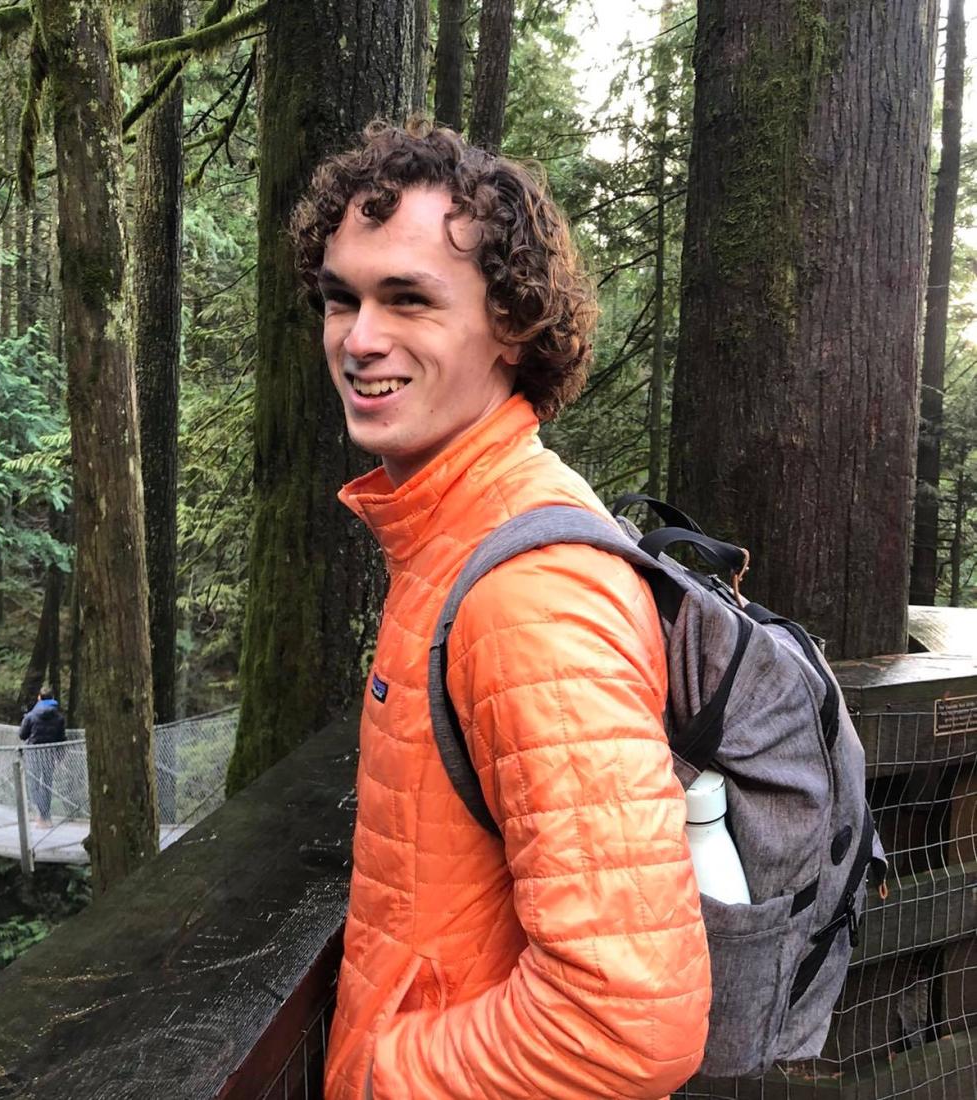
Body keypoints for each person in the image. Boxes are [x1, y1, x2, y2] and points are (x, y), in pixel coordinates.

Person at [290, 118, 711, 1100]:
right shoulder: (454, 527)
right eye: (339, 297)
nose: (359, 339)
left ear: (510, 324)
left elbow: (624, 1022)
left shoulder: (531, 591)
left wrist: (372, 1073)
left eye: (408, 299)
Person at [19, 688, 66, 828]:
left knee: (33, 785)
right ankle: (47, 817)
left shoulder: (31, 716)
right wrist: (60, 756)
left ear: (39, 698)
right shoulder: (59, 717)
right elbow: (61, 739)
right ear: (53, 698)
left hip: (33, 754)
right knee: (46, 785)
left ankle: (40, 816)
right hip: (49, 754)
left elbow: (22, 735)